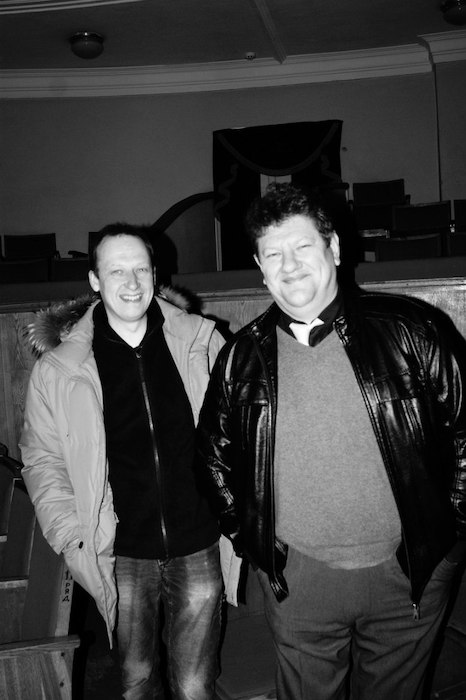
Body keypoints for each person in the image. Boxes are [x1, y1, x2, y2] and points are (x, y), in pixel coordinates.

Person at [196, 183, 466, 700]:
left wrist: (449, 539)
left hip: (410, 569)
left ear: (335, 248)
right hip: (300, 578)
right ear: (260, 267)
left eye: (303, 246)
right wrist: (255, 545)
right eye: (273, 254)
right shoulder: (240, 358)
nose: (290, 265)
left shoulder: (413, 329)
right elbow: (211, 461)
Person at [20, 223, 224, 700]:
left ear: (155, 274)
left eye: (141, 270)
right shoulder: (60, 369)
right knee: (135, 680)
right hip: (120, 552)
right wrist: (72, 535)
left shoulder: (200, 342)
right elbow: (42, 460)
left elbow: (234, 433)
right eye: (116, 271)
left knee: (196, 685)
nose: (131, 283)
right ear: (94, 280)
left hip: (198, 539)